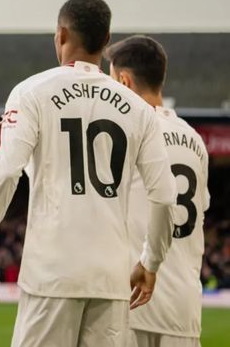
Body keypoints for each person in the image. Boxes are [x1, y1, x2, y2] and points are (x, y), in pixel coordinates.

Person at [0, 0, 177, 347]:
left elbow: (6, 171)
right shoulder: (139, 109)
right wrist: (151, 261)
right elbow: (165, 197)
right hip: (111, 277)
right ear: (106, 41)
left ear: (60, 34)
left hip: (52, 273)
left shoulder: (31, 92)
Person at [106, 35, 209, 347]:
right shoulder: (195, 141)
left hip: (133, 301)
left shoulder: (126, 131)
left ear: (124, 80)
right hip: (183, 307)